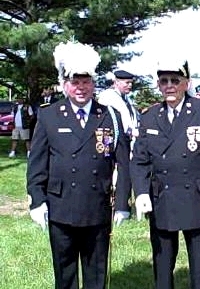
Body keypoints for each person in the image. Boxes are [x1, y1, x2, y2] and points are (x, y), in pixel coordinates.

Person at [27, 40, 131, 289]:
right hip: (61, 208)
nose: (81, 88)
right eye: (75, 82)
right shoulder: (49, 115)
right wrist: (37, 200)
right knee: (65, 274)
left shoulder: (109, 116)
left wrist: (123, 203)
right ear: (65, 84)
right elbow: (37, 164)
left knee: (96, 273)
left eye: (86, 82)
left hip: (97, 208)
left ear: (93, 84)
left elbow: (124, 164)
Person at [130, 58, 200, 289]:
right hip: (162, 201)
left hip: (196, 200)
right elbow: (139, 160)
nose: (169, 86)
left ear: (186, 83)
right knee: (163, 270)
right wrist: (142, 192)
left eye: (175, 80)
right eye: (164, 81)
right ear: (158, 85)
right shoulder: (149, 116)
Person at [97, 69, 139, 225]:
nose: (129, 86)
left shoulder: (125, 99)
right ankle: (115, 205)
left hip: (125, 139)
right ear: (116, 82)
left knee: (125, 170)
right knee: (111, 168)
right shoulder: (108, 97)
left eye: (131, 83)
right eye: (126, 83)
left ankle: (122, 206)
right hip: (110, 137)